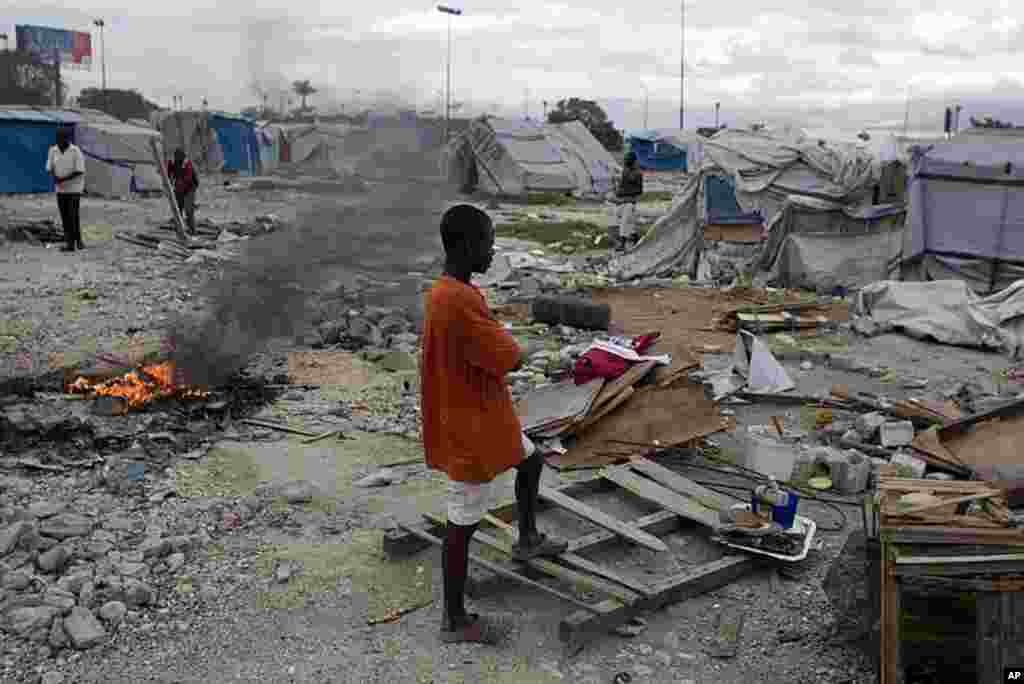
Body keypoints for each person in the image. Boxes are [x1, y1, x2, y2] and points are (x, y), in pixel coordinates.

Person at [421, 204, 568, 644]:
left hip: (482, 413)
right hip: (470, 426)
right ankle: (454, 619)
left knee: (531, 460)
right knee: (461, 522)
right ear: (466, 245)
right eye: (487, 241)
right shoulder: (459, 300)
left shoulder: (446, 290)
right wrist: (508, 339)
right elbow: (508, 356)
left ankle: (526, 538)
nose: (492, 250)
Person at [45, 127, 86, 252]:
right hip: (60, 189)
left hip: (74, 188)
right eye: (57, 138)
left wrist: (62, 179)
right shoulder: (53, 150)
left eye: (61, 139)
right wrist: (55, 176)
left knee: (72, 215)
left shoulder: (76, 151)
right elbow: (49, 167)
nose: (59, 141)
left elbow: (79, 171)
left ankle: (71, 244)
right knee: (65, 216)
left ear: (67, 139)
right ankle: (76, 241)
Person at [615, 151, 644, 251]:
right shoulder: (625, 172)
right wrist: (620, 192)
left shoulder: (637, 174)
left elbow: (639, 191)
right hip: (624, 200)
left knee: (625, 221)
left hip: (630, 202)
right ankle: (635, 237)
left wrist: (623, 192)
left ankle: (622, 243)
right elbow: (621, 188)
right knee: (629, 221)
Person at [166, 148, 200, 234]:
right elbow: (168, 173)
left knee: (188, 210)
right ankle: (179, 229)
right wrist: (169, 181)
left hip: (190, 188)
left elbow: (187, 179)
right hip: (179, 188)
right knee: (178, 210)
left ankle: (192, 231)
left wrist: (177, 187)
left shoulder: (187, 163)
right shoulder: (172, 162)